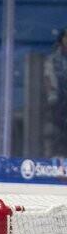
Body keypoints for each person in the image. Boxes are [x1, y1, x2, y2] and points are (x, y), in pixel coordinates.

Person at [43, 28, 67, 156]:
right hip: (58, 100)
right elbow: (48, 79)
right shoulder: (53, 59)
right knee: (57, 130)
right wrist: (52, 96)